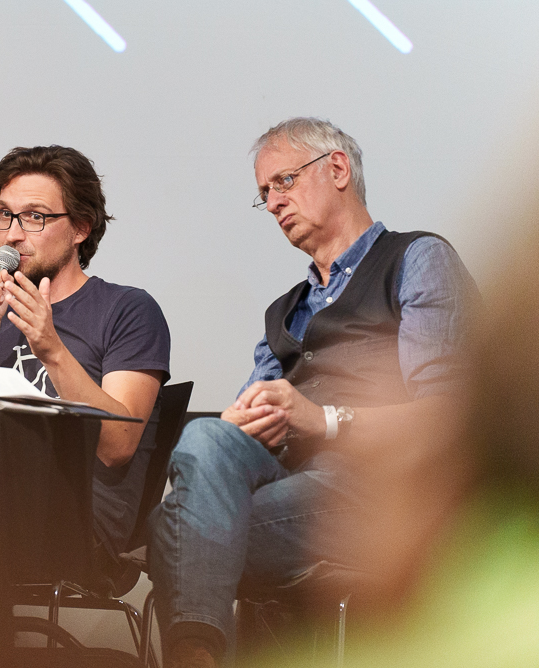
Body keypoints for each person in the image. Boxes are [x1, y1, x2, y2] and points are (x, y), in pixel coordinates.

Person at [146, 117, 477, 668]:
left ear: (338, 169)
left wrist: (323, 419)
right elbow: (236, 435)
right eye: (264, 194)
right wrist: (244, 419)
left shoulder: (417, 259)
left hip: (378, 491)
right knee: (207, 436)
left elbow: (449, 416)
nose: (274, 203)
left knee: (173, 530)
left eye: (284, 181)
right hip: (288, 483)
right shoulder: (284, 311)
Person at [0, 145, 171, 583]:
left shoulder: (127, 310)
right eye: (4, 215)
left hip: (80, 524)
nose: (13, 234)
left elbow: (117, 445)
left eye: (34, 217)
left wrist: (50, 348)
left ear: (81, 228)